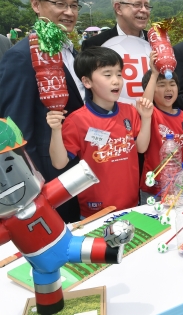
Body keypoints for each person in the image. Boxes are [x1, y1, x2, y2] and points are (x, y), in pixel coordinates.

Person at [0, 0, 85, 222]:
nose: (69, 12)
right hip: (50, 177)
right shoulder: (21, 57)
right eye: (60, 4)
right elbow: (17, 131)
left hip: (80, 167)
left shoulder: (71, 50)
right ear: (36, 5)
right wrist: (35, 187)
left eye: (74, 5)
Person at [46, 47, 154, 217]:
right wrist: (56, 130)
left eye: (119, 74)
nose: (116, 81)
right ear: (87, 82)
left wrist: (146, 118)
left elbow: (141, 148)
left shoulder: (130, 112)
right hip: (95, 212)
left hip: (132, 204)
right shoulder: (77, 120)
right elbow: (59, 163)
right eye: (107, 74)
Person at [139, 51, 183, 203]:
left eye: (172, 84)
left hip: (178, 187)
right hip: (153, 188)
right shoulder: (151, 114)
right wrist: (154, 74)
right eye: (161, 85)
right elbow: (145, 104)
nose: (168, 89)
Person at [82, 0, 151, 49]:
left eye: (147, 6)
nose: (144, 10)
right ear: (118, 8)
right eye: (137, 4)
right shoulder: (95, 45)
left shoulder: (156, 42)